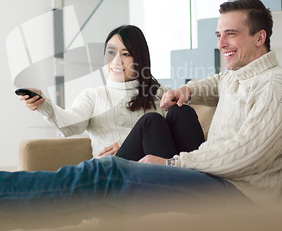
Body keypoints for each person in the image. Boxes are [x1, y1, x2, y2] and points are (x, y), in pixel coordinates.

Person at [0, 0, 282, 231]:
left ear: (260, 38)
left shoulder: (281, 90)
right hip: (212, 179)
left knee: (105, 173)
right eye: (218, 34)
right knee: (157, 124)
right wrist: (188, 89)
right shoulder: (239, 75)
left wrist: (170, 161)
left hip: (237, 198)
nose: (221, 42)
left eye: (232, 34)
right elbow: (220, 84)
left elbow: (244, 156)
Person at [19, 24, 204, 161]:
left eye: (125, 54)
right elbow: (69, 126)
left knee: (182, 111)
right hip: (115, 173)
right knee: (151, 121)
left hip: (157, 169)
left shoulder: (160, 95)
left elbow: (172, 144)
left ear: (139, 59)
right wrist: (44, 105)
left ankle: (199, 185)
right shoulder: (94, 96)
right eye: (111, 52)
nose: (116, 61)